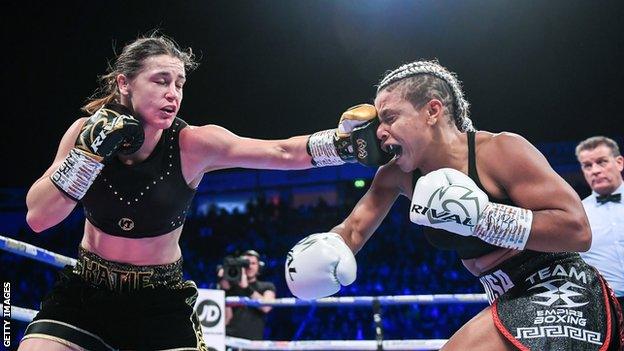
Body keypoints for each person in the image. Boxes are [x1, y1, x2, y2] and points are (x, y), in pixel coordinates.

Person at [19, 32, 388, 351]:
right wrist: (87, 156)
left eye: (179, 84)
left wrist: (341, 147)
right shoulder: (84, 131)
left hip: (159, 300)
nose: (173, 93)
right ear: (124, 83)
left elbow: (280, 151)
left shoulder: (191, 144)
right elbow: (38, 218)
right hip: (87, 289)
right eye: (161, 80)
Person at [285, 60, 624, 350]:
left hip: (560, 290)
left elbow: (577, 231)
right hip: (505, 297)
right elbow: (354, 229)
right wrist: (327, 247)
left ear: (433, 110)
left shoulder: (500, 151)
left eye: (389, 118)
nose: (380, 133)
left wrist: (484, 218)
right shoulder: (398, 175)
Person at [576, 136, 624, 313]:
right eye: (587, 166)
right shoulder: (577, 213)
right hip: (604, 308)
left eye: (602, 162)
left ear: (619, 162)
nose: (595, 170)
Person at [217, 250, 276, 341]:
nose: (249, 266)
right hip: (230, 341)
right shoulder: (230, 287)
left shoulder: (267, 286)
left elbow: (266, 307)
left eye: (253, 263)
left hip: (253, 343)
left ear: (259, 267)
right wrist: (223, 284)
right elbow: (226, 318)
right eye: (246, 263)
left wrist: (246, 287)